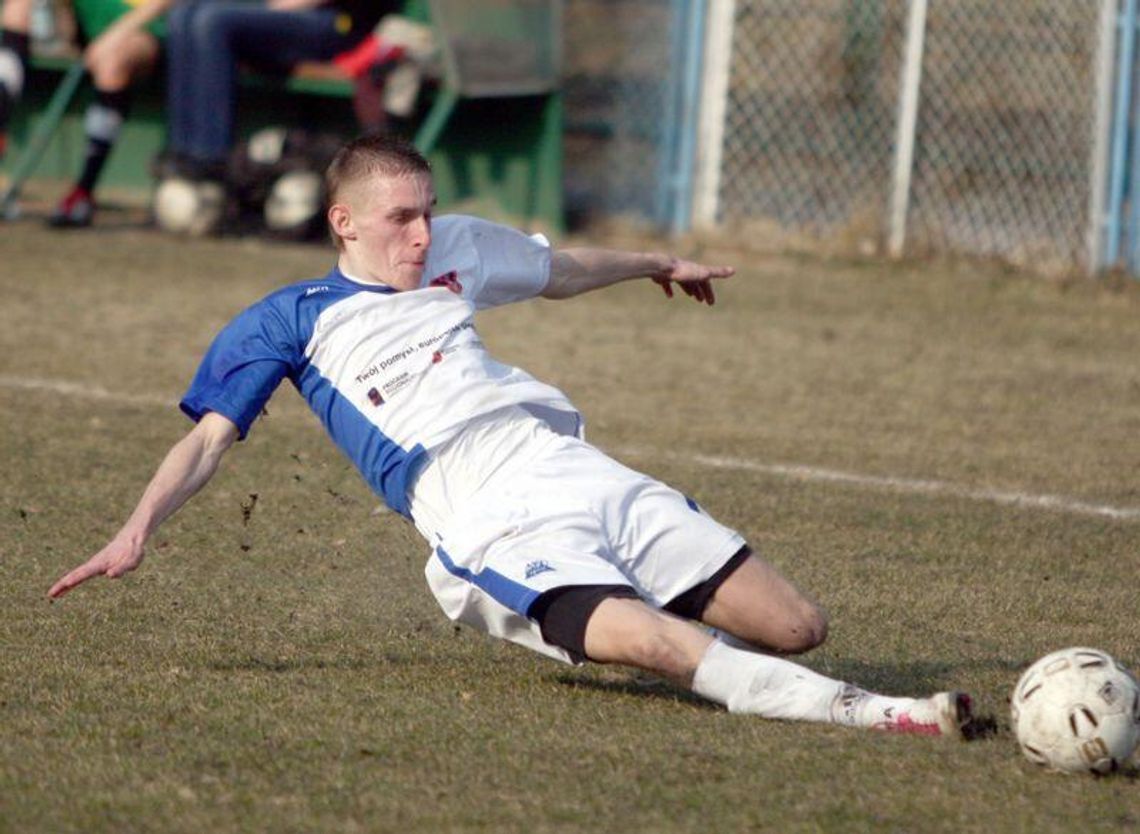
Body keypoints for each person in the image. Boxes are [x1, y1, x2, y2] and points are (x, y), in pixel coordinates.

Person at [48, 134, 974, 738]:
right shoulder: (288, 320)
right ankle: (888, 714)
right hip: (480, 513)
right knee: (657, 645)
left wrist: (655, 261)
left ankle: (606, 614)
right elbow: (209, 441)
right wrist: (136, 530)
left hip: (566, 462)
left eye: (427, 210)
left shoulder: (456, 247)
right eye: (400, 218)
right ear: (345, 223)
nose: (421, 233)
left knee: (797, 626)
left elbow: (558, 269)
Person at [158, 0, 396, 191]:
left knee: (211, 21)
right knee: (184, 14)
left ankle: (210, 160)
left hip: (339, 23)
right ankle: (182, 154)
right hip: (275, 11)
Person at [49, 0, 171, 227]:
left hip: (150, 29)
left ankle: (83, 190)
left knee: (112, 60)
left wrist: (115, 35)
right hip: (96, 35)